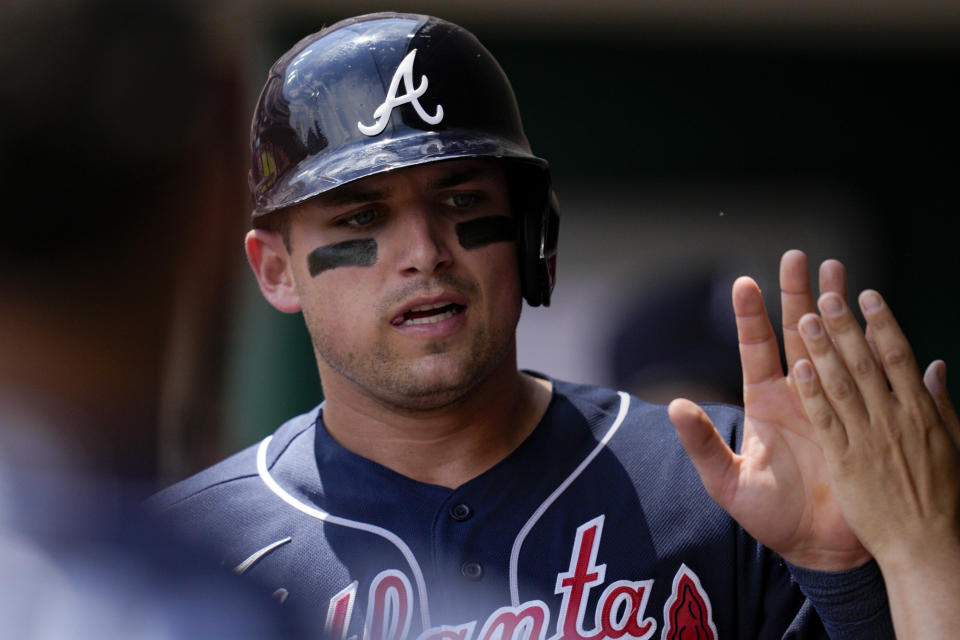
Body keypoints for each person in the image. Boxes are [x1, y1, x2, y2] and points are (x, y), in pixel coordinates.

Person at [150, 12, 959, 639]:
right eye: (363, 216)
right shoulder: (186, 550)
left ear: (536, 234)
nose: (424, 253)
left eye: (463, 202)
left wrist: (847, 571)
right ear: (275, 268)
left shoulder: (724, 486)